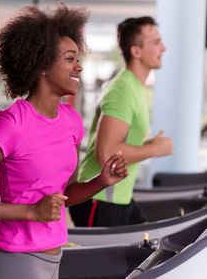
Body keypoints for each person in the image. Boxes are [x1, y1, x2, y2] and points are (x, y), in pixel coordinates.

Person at [0, 3, 128, 279]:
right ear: (42, 65)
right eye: (70, 59)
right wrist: (31, 212)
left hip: (54, 257)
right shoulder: (12, 124)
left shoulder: (71, 122)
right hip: (14, 259)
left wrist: (100, 182)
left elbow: (64, 196)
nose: (79, 67)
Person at [69, 16, 174, 227]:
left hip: (119, 197)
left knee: (151, 247)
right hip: (99, 199)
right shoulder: (123, 89)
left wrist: (148, 146)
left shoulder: (134, 87)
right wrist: (154, 149)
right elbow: (107, 153)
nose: (163, 48)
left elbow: (119, 145)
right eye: (156, 42)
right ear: (136, 51)